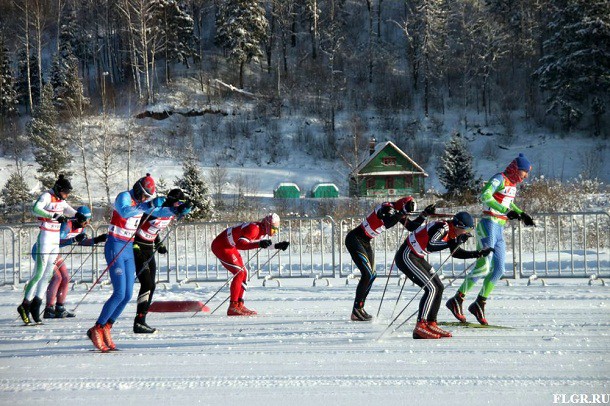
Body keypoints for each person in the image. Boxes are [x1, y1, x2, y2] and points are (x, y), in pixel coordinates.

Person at [87, 174, 188, 352]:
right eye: (142, 195)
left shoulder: (143, 203)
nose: (144, 199)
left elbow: (157, 212)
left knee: (127, 295)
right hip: (115, 244)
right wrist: (148, 204)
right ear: (137, 189)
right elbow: (126, 211)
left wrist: (176, 211)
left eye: (146, 197)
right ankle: (97, 327)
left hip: (127, 247)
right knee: (118, 293)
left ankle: (107, 327)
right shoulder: (124, 196)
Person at [446, 153, 535, 325]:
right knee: (483, 266)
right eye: (525, 172)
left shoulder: (513, 185)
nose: (526, 176)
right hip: (488, 225)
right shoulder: (499, 178)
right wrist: (506, 210)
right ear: (517, 169)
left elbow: (508, 204)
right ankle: (457, 299)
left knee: (499, 270)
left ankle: (479, 303)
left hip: (499, 227)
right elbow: (485, 196)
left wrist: (521, 214)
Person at [395, 211, 493, 339]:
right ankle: (420, 326)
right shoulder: (442, 228)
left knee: (439, 287)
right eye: (465, 229)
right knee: (431, 288)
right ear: (458, 225)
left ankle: (431, 323)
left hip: (417, 256)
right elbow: (431, 244)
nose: (466, 232)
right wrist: (454, 241)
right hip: (406, 255)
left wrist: (477, 253)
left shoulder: (452, 233)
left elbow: (455, 252)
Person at [345, 196, 435, 321]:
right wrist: (402, 213)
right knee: (366, 273)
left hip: (365, 241)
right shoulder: (386, 206)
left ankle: (360, 308)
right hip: (355, 239)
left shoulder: (397, 212)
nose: (406, 214)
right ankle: (356, 310)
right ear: (403, 205)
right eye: (406, 210)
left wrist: (424, 215)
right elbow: (387, 222)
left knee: (372, 275)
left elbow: (411, 226)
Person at [18, 175, 77, 325]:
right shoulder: (47, 196)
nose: (66, 195)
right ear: (58, 189)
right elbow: (35, 209)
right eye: (65, 192)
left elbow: (69, 211)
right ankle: (25, 305)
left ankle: (36, 305)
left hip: (55, 240)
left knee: (48, 275)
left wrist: (79, 215)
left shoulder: (61, 199)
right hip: (45, 238)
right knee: (38, 274)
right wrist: (54, 215)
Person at [133, 188, 191, 334]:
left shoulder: (170, 213)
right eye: (178, 202)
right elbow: (136, 225)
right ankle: (139, 321)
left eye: (181, 203)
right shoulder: (158, 210)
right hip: (138, 247)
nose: (179, 205)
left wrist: (159, 244)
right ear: (171, 200)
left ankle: (142, 320)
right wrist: (134, 246)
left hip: (149, 248)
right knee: (147, 283)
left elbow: (156, 229)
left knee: (151, 286)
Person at [211, 213, 290, 316]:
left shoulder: (261, 230)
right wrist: (259, 244)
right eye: (274, 228)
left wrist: (277, 246)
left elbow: (263, 244)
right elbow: (240, 244)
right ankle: (233, 306)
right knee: (239, 273)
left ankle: (239, 304)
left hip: (230, 246)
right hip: (221, 246)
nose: (275, 232)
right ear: (267, 225)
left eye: (277, 229)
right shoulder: (254, 229)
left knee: (244, 273)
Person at [42, 206, 108, 319]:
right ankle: (48, 309)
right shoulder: (66, 225)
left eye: (89, 220)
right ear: (79, 219)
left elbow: (82, 242)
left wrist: (97, 239)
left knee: (66, 277)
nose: (88, 223)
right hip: (43, 251)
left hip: (53, 253)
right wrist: (73, 239)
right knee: (57, 278)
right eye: (86, 220)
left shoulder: (81, 228)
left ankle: (60, 308)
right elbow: (56, 242)